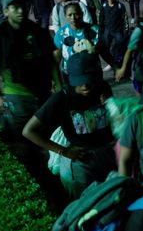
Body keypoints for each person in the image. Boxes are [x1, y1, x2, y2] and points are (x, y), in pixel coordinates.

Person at [22, 52, 116, 198]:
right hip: (81, 162)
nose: (85, 85)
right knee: (84, 205)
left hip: (107, 155)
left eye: (89, 80)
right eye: (80, 80)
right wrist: (64, 151)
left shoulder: (102, 88)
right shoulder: (63, 98)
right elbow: (28, 131)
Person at [0, 0, 60, 139]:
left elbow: (51, 61)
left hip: (42, 92)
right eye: (15, 8)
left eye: (24, 7)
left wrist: (59, 87)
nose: (21, 11)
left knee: (46, 132)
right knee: (21, 136)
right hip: (17, 94)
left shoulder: (38, 32)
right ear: (6, 11)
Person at [99, 0, 129, 72]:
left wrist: (126, 30)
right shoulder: (104, 6)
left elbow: (125, 18)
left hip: (118, 31)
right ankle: (110, 63)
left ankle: (119, 62)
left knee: (120, 47)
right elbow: (101, 18)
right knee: (106, 48)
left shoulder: (120, 6)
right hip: (108, 30)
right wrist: (100, 29)